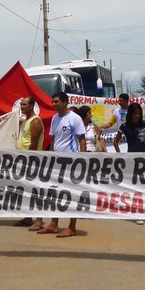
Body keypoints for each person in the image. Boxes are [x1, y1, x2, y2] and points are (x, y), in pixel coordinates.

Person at [37, 92, 85, 238]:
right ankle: (54, 224)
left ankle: (72, 226)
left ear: (65, 102)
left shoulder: (75, 118)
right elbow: (53, 139)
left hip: (71, 163)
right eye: (53, 101)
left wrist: (83, 161)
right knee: (55, 193)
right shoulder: (54, 118)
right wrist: (52, 156)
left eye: (56, 101)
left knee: (72, 194)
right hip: (57, 163)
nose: (53, 104)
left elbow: (82, 140)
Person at [15, 97, 46, 229]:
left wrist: (28, 160)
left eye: (25, 104)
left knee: (35, 191)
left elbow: (33, 144)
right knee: (26, 190)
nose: (22, 107)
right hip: (23, 160)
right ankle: (28, 217)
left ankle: (39, 220)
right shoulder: (25, 121)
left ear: (32, 106)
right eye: (21, 104)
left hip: (32, 161)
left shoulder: (35, 122)